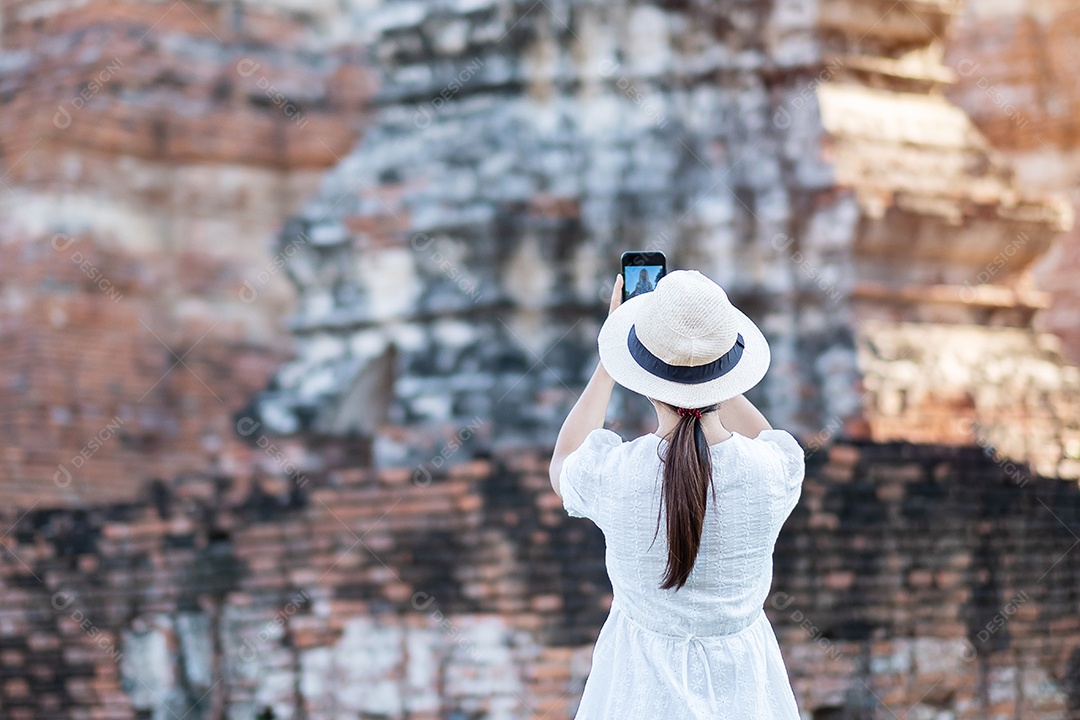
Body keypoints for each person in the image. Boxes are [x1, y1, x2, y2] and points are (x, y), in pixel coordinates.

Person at [549, 269, 804, 719]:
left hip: (636, 697)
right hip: (746, 697)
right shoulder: (774, 472)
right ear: (729, 371)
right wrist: (706, 366)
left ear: (642, 376)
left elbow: (563, 461)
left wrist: (612, 359)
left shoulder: (616, 474)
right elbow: (766, 437)